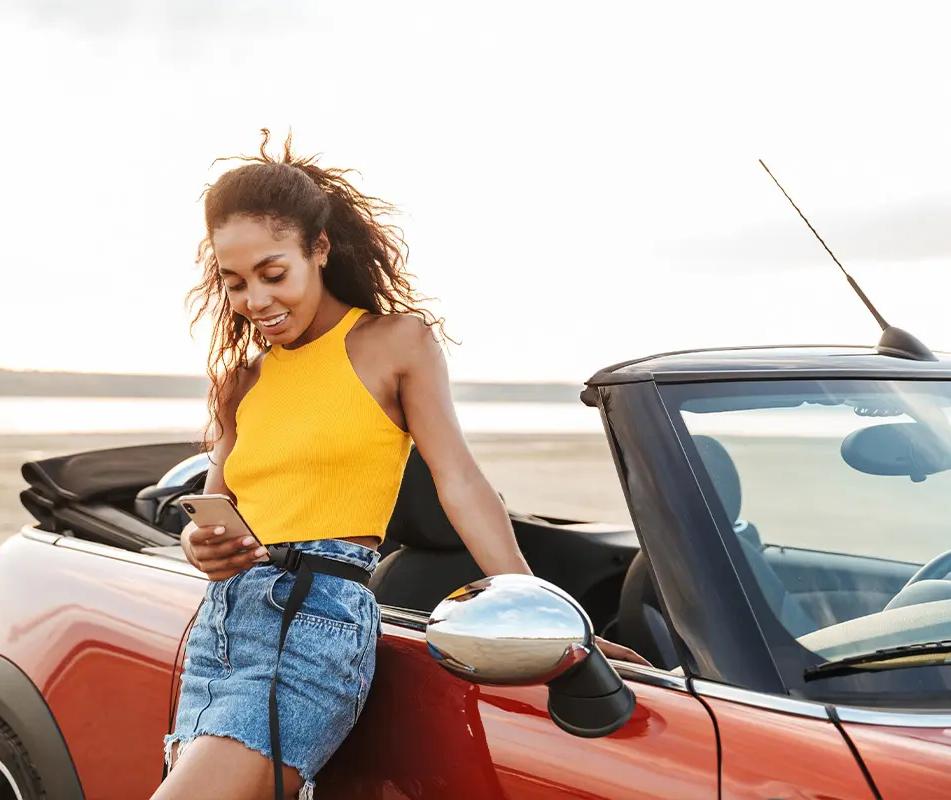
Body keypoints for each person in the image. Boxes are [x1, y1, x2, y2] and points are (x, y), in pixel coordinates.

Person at [153, 130, 648, 800]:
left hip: (312, 626)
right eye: (234, 283)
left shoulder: (393, 344)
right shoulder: (243, 379)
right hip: (221, 631)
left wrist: (543, 613)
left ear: (319, 248)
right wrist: (200, 545)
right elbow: (220, 509)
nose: (256, 302)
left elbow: (461, 482)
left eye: (274, 275)